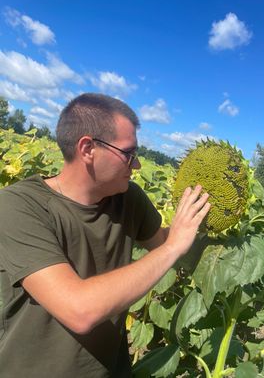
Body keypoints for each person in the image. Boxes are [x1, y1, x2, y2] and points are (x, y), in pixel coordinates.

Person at [0, 93, 210, 378]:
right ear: (87, 149)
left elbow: (163, 242)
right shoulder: (18, 206)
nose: (136, 165)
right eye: (128, 153)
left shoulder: (127, 198)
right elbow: (79, 310)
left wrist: (207, 219)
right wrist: (172, 247)